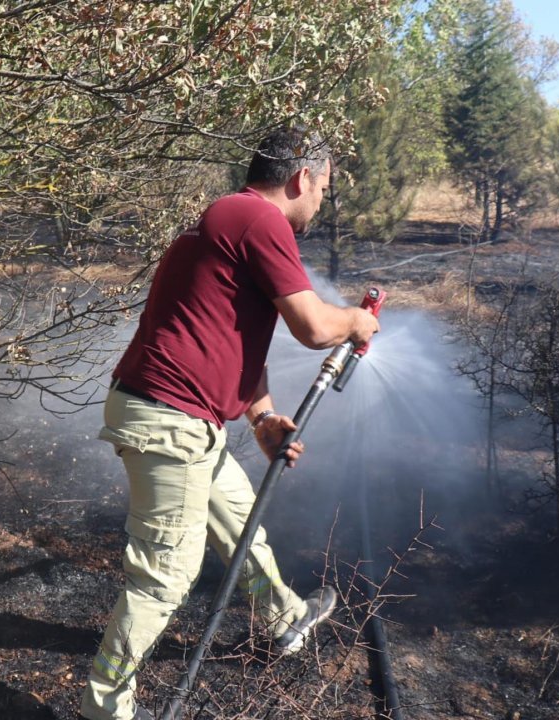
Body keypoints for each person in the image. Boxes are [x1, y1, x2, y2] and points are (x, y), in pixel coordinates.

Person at [79, 127, 380, 720]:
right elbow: (315, 328)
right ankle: (104, 708)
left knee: (239, 517)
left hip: (183, 416)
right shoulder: (257, 220)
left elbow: (235, 341)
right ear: (300, 178)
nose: (322, 202)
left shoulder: (229, 220)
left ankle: (285, 616)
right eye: (324, 188)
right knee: (164, 575)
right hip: (170, 416)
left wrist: (263, 417)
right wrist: (355, 322)